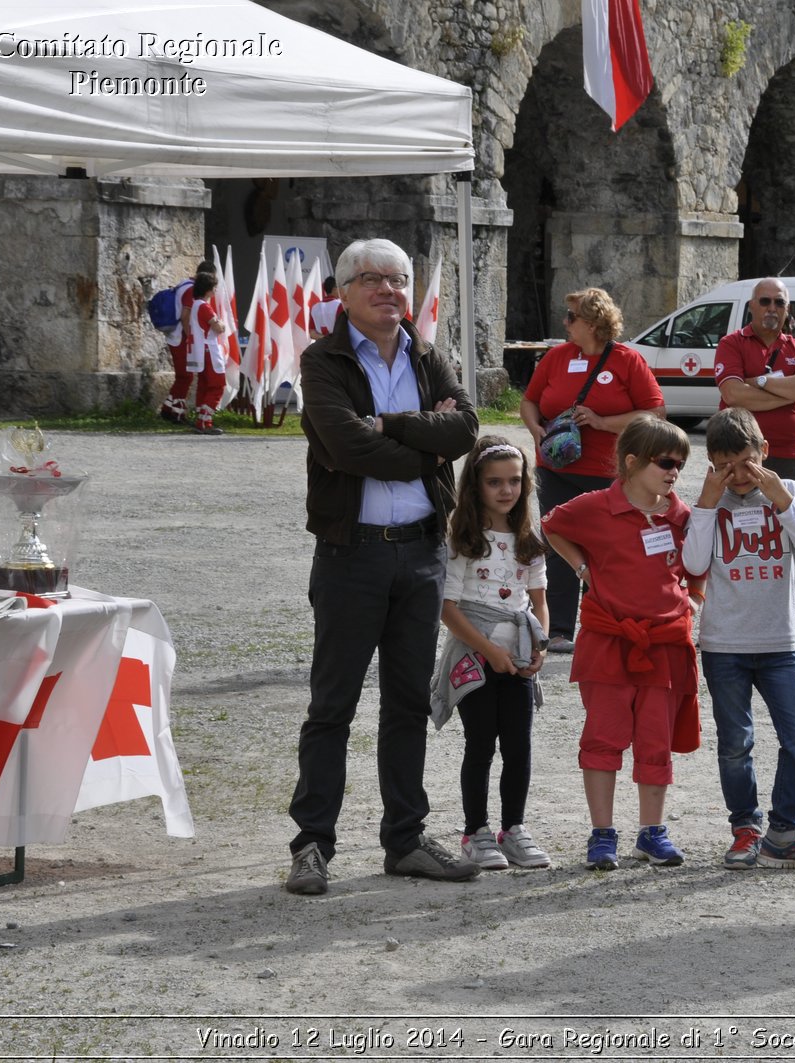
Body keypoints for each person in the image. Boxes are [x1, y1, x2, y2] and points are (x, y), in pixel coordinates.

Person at [284, 237, 480, 895]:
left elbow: (467, 430)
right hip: (352, 553)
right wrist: (424, 442)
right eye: (373, 279)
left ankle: (405, 839)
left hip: (421, 551)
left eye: (399, 279)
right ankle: (312, 842)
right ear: (344, 292)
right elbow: (343, 446)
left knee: (406, 702)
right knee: (332, 704)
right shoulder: (324, 360)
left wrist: (390, 426)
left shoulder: (426, 355)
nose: (390, 290)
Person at [541, 417, 700, 871]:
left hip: (664, 645)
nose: (674, 472)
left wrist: (694, 597)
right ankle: (602, 834)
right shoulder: (594, 507)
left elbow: (695, 564)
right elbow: (550, 526)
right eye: (665, 462)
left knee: (656, 742)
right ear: (631, 462)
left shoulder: (679, 514)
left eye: (681, 464)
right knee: (603, 738)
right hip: (609, 642)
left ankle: (652, 833)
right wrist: (581, 568)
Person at [684, 407, 795, 871]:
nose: (737, 475)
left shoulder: (788, 492)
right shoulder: (711, 501)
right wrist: (707, 504)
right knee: (736, 743)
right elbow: (693, 565)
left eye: (746, 463)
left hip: (778, 643)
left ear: (765, 453)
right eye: (725, 466)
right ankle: (746, 829)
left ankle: (784, 833)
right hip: (724, 645)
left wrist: (780, 500)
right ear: (711, 464)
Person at [520, 288, 664, 654]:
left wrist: (602, 422)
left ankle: (605, 624)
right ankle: (559, 629)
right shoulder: (556, 357)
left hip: (608, 472)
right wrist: (536, 429)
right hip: (556, 469)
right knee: (557, 540)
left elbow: (653, 414)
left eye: (571, 318)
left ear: (593, 322)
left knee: (605, 547)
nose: (565, 323)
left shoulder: (628, 360)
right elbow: (530, 402)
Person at [435, 435, 553, 871]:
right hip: (476, 658)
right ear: (475, 486)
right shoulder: (461, 537)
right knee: (481, 745)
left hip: (519, 659)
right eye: (495, 482)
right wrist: (489, 651)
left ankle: (515, 829)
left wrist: (537, 645)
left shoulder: (528, 537)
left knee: (519, 746)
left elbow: (538, 598)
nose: (507, 491)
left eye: (515, 481)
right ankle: (476, 831)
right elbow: (447, 607)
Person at [714, 277, 795, 483]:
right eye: (765, 301)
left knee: (786, 514)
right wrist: (790, 394)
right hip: (738, 449)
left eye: (779, 302)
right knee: (740, 515)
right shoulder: (731, 344)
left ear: (787, 309)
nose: (772, 307)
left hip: (788, 451)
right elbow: (733, 394)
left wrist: (757, 381)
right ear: (751, 306)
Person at [170, 272, 231, 436]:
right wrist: (222, 324)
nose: (215, 290)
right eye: (214, 287)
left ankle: (200, 419)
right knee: (217, 384)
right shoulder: (204, 306)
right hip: (209, 349)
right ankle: (205, 420)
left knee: (204, 385)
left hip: (199, 350)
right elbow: (218, 328)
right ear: (208, 289)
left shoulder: (195, 304)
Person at [158, 260, 216, 425]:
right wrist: (192, 337)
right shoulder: (192, 289)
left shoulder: (184, 284)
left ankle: (168, 408)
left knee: (183, 375)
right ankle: (177, 413)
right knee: (186, 376)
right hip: (180, 337)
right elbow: (185, 316)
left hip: (175, 335)